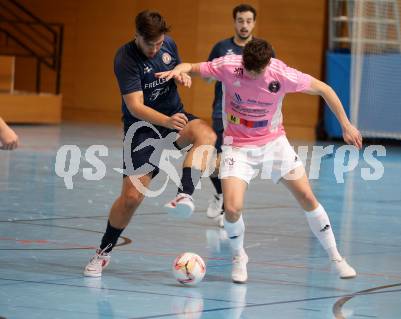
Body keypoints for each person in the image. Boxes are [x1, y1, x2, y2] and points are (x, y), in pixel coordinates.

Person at [156, 38, 362, 283]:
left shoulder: (281, 73)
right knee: (231, 208)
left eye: (258, 70)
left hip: (274, 145)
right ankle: (239, 256)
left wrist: (346, 125)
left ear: (267, 64)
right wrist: (180, 68)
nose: (252, 74)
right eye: (249, 68)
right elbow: (192, 66)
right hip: (237, 147)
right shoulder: (229, 65)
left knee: (307, 197)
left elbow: (324, 89)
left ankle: (336, 258)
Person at [83, 10, 216, 277]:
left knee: (207, 136)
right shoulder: (125, 58)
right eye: (150, 44)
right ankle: (103, 251)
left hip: (173, 116)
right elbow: (135, 106)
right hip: (143, 128)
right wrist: (166, 122)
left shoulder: (167, 44)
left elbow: (174, 69)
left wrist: (181, 75)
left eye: (159, 43)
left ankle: (183, 195)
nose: (156, 49)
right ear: (137, 37)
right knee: (131, 198)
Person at [205, 4, 271, 227]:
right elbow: (206, 74)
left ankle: (228, 207)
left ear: (254, 23)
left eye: (248, 21)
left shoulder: (261, 51)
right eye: (240, 20)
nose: (244, 25)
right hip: (221, 112)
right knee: (212, 163)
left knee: (231, 162)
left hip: (250, 119)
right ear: (234, 22)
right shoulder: (221, 48)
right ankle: (221, 195)